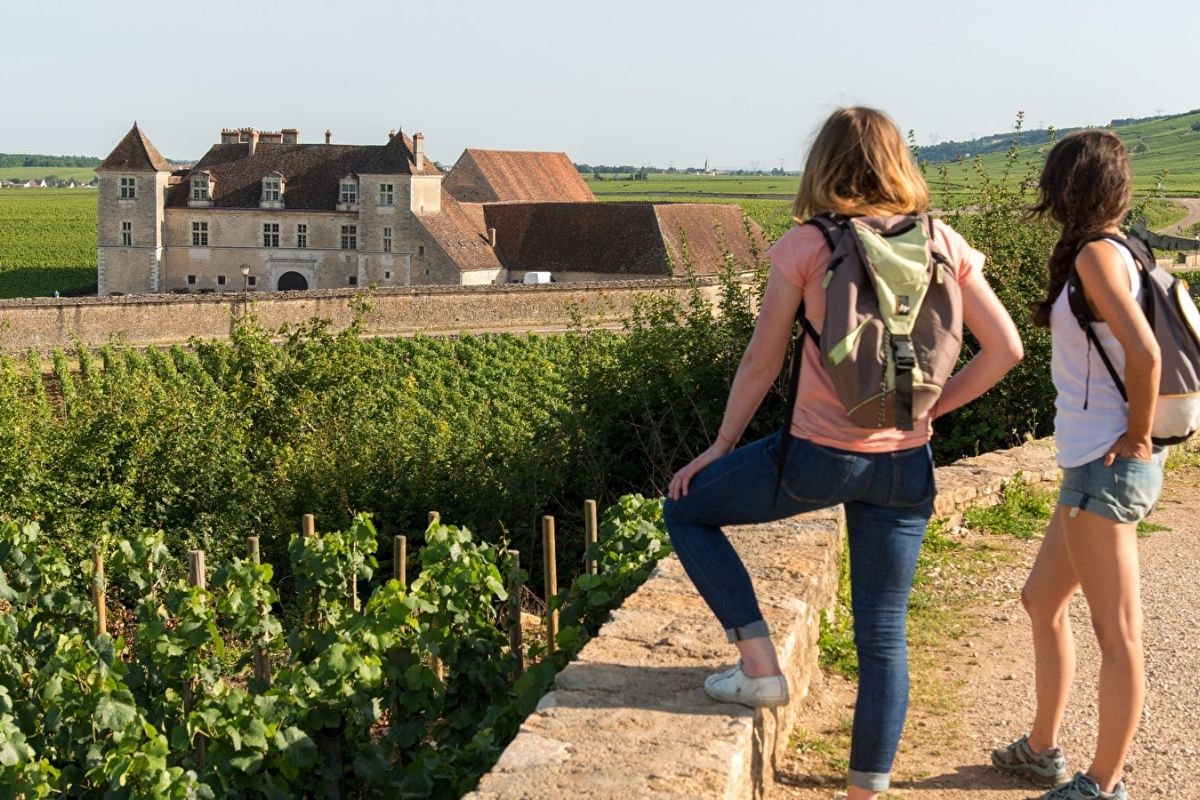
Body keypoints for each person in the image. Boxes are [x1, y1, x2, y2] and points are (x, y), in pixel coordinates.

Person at [663, 106, 1023, 800]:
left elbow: (762, 363)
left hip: (816, 457)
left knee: (686, 510)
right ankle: (866, 791)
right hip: (906, 466)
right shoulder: (945, 242)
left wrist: (720, 446)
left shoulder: (807, 245)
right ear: (898, 163)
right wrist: (930, 408)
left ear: (824, 166)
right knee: (884, 633)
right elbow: (1005, 348)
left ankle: (760, 665)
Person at [991, 131, 1161, 800]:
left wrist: (1140, 437)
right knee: (1042, 600)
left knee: (1117, 632)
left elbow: (1144, 356)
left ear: (1068, 188)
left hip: (1106, 467)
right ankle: (1041, 749)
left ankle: (1103, 784)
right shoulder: (1126, 251)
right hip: (1088, 466)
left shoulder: (1096, 255)